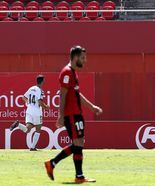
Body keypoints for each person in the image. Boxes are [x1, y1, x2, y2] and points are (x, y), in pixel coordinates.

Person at [44, 46, 103, 183]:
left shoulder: (73, 72)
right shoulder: (66, 73)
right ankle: (72, 173)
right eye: (83, 58)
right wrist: (61, 115)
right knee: (78, 143)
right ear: (75, 57)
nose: (85, 60)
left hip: (77, 113)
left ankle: (69, 171)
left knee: (79, 143)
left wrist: (91, 107)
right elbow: (62, 95)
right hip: (71, 114)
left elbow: (77, 93)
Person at [10, 75, 49, 151]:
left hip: (29, 110)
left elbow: (23, 97)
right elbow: (40, 102)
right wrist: (46, 107)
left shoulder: (31, 88)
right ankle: (32, 147)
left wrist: (28, 103)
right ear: (42, 81)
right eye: (44, 80)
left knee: (27, 129)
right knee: (38, 129)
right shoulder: (40, 90)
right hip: (37, 112)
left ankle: (18, 124)